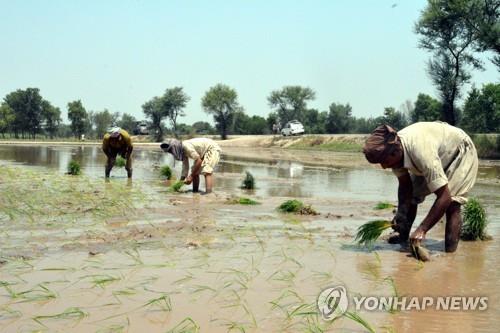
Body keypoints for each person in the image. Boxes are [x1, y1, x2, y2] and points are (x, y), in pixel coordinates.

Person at [362, 122, 478, 253]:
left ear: (395, 153)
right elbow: (405, 186)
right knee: (411, 196)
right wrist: (401, 213)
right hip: (438, 153)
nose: (384, 166)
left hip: (459, 151)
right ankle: (403, 238)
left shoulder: (421, 153)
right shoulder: (394, 151)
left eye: (385, 162)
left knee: (452, 204)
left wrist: (422, 229)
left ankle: (450, 256)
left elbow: (444, 197)